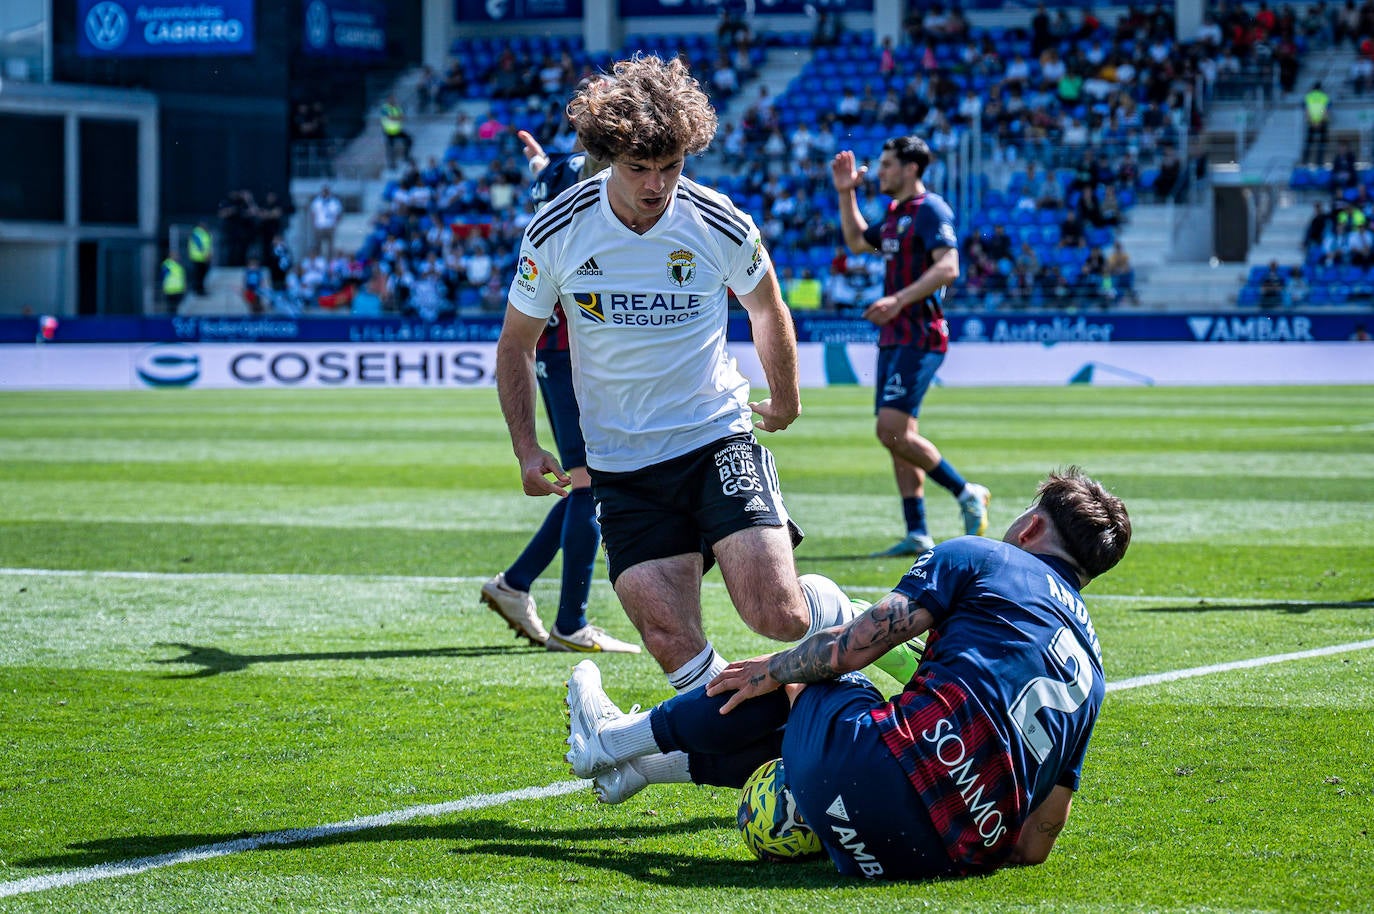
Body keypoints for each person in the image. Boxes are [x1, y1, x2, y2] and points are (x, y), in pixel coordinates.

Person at [496, 54, 867, 694]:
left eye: (670, 166)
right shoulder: (558, 228)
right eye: (639, 167)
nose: (656, 184)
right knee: (672, 642)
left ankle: (867, 623)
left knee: (775, 615)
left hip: (712, 436)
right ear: (608, 156)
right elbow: (517, 343)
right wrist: (526, 447)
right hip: (621, 465)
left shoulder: (716, 220)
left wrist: (786, 396)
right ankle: (762, 746)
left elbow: (768, 307)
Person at [563, 467, 1132, 882]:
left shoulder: (985, 556)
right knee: (828, 711)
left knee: (789, 684)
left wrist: (774, 668)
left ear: (1031, 527)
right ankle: (643, 770)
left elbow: (852, 650)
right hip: (932, 859)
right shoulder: (1093, 667)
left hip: (856, 774)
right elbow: (1037, 840)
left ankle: (610, 742)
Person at [480, 122, 641, 654]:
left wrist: (538, 160)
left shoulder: (552, 171)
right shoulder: (599, 172)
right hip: (577, 344)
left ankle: (516, 584)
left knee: (589, 481)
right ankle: (569, 622)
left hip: (558, 342)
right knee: (591, 485)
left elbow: (555, 175)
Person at [830, 137, 990, 558]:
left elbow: (949, 266)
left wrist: (898, 299)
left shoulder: (930, 210)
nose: (879, 171)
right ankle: (918, 531)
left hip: (919, 334)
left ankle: (966, 491)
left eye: (886, 165)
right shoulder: (897, 214)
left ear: (910, 168)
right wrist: (846, 192)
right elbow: (857, 241)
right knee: (899, 436)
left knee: (891, 429)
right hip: (895, 337)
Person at [309, 185, 344, 261]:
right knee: (318, 244)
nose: (325, 193)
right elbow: (313, 213)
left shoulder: (335, 201)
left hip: (330, 226)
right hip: (319, 226)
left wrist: (335, 224)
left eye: (326, 191)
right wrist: (314, 224)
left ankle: (329, 261)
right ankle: (319, 260)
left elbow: (339, 214)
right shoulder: (317, 201)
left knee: (330, 246)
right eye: (324, 191)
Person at [380, 95, 413, 170]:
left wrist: (396, 118)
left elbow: (402, 118)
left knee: (409, 139)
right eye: (391, 99)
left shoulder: (397, 107)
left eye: (394, 99)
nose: (393, 100)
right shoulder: (385, 108)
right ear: (388, 100)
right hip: (388, 131)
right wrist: (397, 118)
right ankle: (391, 164)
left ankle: (406, 156)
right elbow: (391, 118)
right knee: (390, 148)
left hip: (397, 130)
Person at [1302, 82, 1331, 165]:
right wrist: (1320, 121)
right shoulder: (1325, 97)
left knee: (1308, 142)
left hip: (1311, 122)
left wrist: (1312, 121)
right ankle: (1319, 161)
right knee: (1322, 143)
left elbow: (1306, 110)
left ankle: (1305, 160)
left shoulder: (1308, 96)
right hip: (1322, 122)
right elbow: (1325, 111)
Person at [187, 222, 213, 296]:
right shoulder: (197, 233)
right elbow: (199, 245)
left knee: (201, 274)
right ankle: (198, 290)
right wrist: (206, 254)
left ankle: (199, 289)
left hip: (202, 258)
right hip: (198, 257)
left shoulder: (204, 233)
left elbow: (207, 245)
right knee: (199, 275)